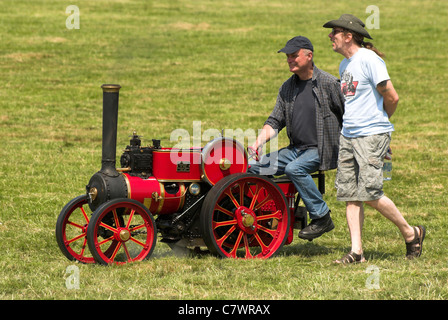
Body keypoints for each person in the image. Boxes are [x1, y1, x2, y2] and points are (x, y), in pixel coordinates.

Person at [323, 14, 426, 263]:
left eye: (334, 32)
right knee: (349, 194)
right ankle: (357, 252)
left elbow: (392, 97)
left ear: (348, 36)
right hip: (348, 135)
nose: (330, 36)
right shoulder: (344, 65)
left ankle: (411, 233)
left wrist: (381, 126)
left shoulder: (369, 60)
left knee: (370, 193)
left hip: (371, 135)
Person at [248, 36, 345, 241]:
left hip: (322, 149)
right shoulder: (287, 87)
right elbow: (275, 120)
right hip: (295, 149)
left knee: (294, 169)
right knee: (253, 167)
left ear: (309, 56)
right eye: (287, 57)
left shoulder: (329, 84)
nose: (290, 60)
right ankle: (268, 215)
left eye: (294, 55)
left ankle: (321, 216)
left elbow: (349, 115)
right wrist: (257, 144)